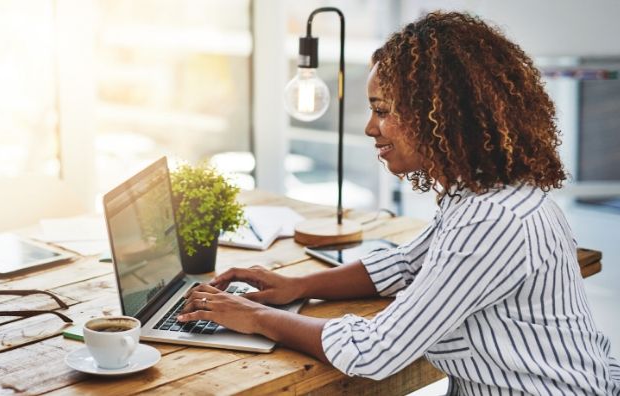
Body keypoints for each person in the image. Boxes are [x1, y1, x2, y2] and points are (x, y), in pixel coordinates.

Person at [178, 11, 620, 395]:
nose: (371, 128)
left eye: (383, 110)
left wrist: (254, 317)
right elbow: (406, 265)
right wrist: (299, 287)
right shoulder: (482, 192)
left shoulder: (492, 219)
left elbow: (374, 351)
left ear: (442, 115)